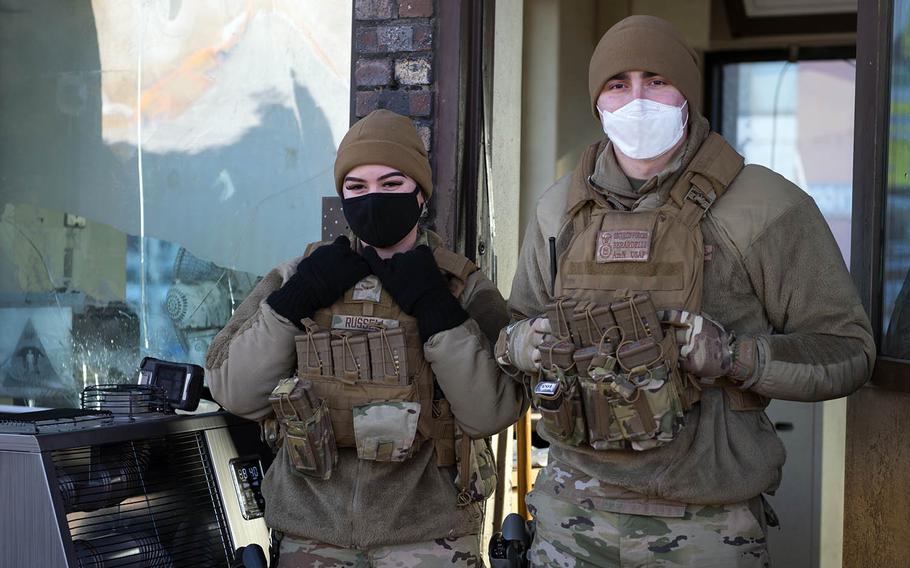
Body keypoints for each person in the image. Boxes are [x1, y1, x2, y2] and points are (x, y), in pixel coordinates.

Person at [496, 15, 874, 567]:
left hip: (706, 524)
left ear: (687, 96)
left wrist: (737, 356)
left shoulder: (765, 207)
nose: (639, 99)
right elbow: (509, 337)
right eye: (618, 84)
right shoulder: (559, 210)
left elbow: (849, 350)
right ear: (597, 101)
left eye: (657, 80)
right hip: (572, 518)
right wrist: (522, 343)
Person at [206, 109, 527, 567]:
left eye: (392, 184)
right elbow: (234, 390)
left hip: (428, 537)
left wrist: (436, 308)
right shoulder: (299, 275)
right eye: (357, 188)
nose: (373, 199)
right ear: (342, 196)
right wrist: (297, 298)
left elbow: (491, 412)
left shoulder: (461, 286)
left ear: (420, 194)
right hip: (310, 534)